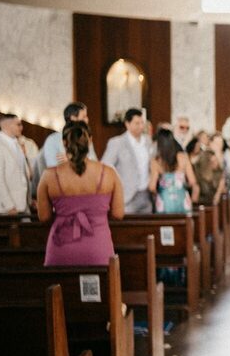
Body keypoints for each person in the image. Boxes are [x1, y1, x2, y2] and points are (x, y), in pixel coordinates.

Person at [37, 122, 124, 266]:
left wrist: (65, 214)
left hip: (61, 246)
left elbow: (44, 217)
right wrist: (96, 213)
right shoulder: (109, 173)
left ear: (64, 142)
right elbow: (118, 214)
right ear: (90, 140)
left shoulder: (49, 176)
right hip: (97, 245)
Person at [102, 108, 153, 214]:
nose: (141, 126)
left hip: (146, 194)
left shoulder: (148, 141)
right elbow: (105, 167)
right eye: (137, 123)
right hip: (127, 196)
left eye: (142, 123)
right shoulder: (117, 142)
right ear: (127, 124)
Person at [0, 114, 31, 214]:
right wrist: (9, 206)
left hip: (22, 204)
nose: (21, 127)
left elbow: (23, 175)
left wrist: (29, 200)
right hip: (6, 207)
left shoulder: (17, 144)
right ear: (7, 125)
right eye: (18, 124)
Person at [149, 128, 198, 214]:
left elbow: (152, 187)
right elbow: (192, 181)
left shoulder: (156, 161)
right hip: (182, 199)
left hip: (164, 201)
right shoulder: (183, 157)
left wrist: (159, 192)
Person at [41, 102, 98, 168]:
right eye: (84, 117)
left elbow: (95, 163)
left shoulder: (85, 138)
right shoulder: (53, 140)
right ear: (73, 118)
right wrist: (79, 161)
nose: (87, 120)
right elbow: (53, 168)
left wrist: (72, 160)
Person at [193, 132, 227, 206]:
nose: (219, 146)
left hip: (218, 193)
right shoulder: (205, 156)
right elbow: (206, 176)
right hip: (206, 194)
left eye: (221, 143)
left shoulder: (223, 156)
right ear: (210, 143)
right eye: (217, 143)